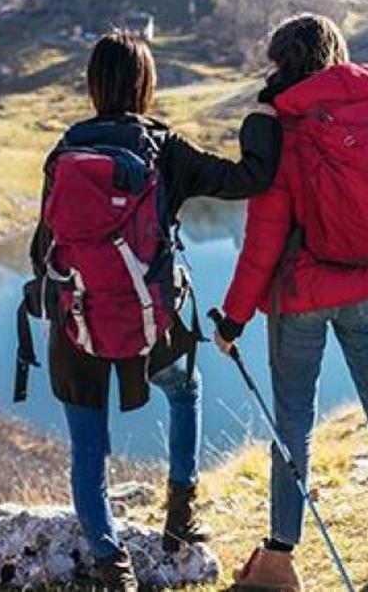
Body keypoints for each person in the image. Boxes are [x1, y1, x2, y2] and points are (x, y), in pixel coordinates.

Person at [25, 31, 281, 590]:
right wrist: (264, 116)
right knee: (185, 393)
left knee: (88, 447)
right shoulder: (165, 148)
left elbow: (42, 249)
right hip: (153, 317)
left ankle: (110, 563)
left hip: (78, 321)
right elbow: (250, 178)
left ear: (93, 85)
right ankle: (179, 518)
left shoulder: (65, 151)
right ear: (146, 84)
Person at [213, 0, 368, 590]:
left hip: (302, 300)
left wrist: (233, 319)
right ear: (336, 55)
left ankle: (281, 559)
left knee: (293, 425)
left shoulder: (282, 132)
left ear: (285, 66)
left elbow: (263, 242)